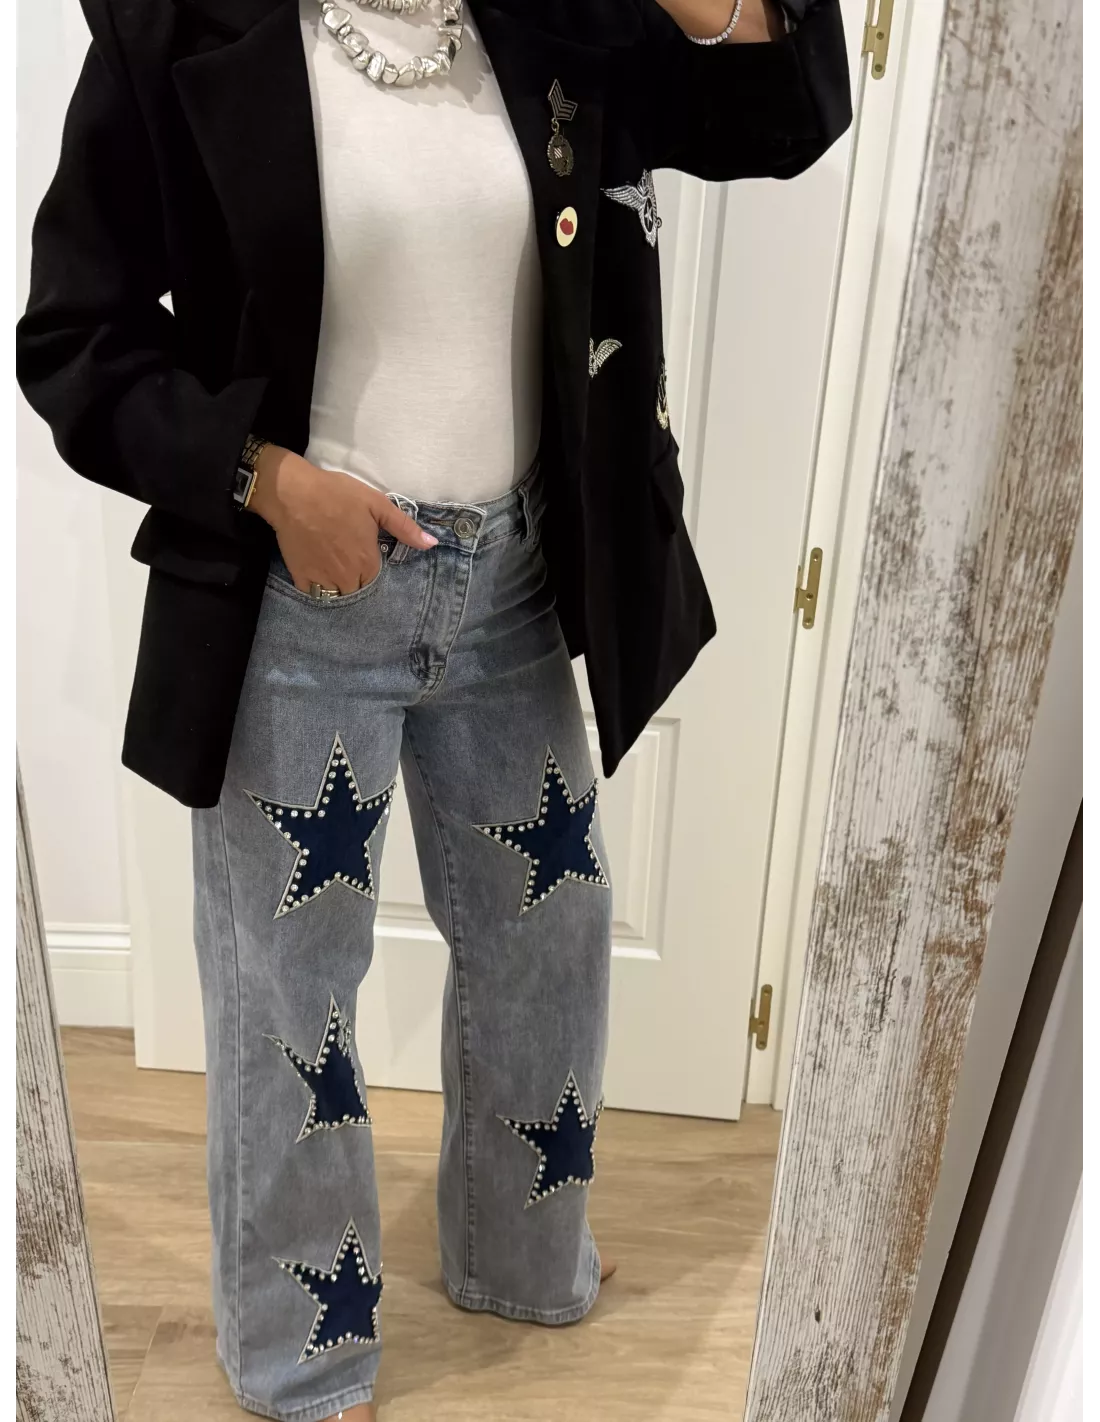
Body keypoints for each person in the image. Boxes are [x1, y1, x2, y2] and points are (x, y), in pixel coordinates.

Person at [15, 0, 851, 1416]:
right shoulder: (183, 30)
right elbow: (73, 337)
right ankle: (303, 1356)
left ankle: (520, 1255)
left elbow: (784, 116)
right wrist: (264, 481)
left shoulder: (553, 17)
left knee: (553, 939)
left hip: (514, 587)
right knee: (290, 998)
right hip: (300, 606)